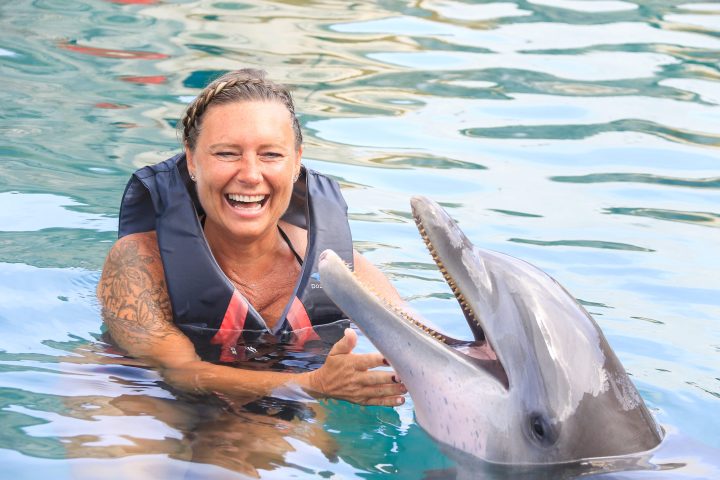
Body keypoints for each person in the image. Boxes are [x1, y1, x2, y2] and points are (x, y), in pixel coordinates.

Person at [97, 68, 407, 407]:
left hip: (279, 407)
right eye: (226, 153)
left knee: (258, 448)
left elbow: (420, 337)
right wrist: (313, 384)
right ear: (192, 161)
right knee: (119, 440)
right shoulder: (140, 262)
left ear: (296, 163)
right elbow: (179, 371)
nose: (249, 175)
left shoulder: (338, 271)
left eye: (271, 154)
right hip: (148, 391)